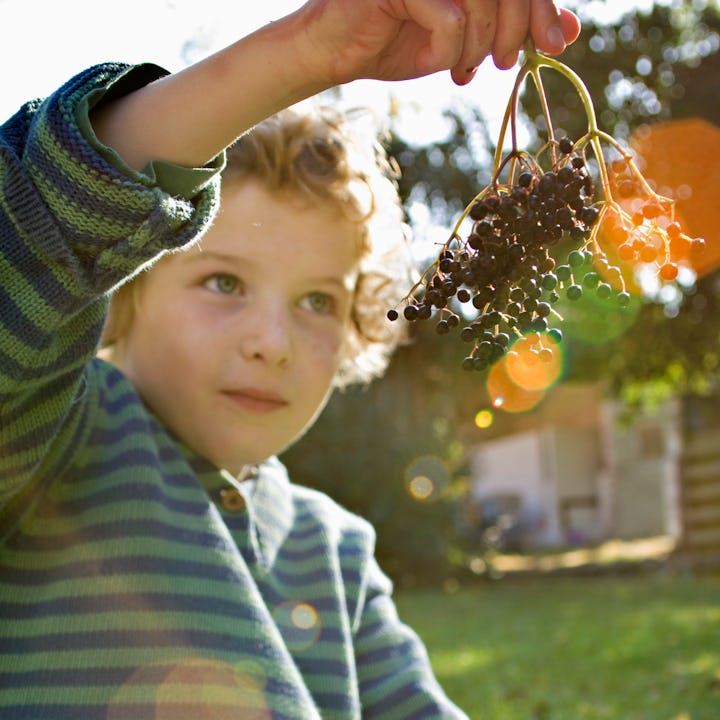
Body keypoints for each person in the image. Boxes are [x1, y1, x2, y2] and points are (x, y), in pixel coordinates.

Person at [0, 2, 581, 717]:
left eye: (317, 303)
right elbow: (38, 227)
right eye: (223, 283)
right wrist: (299, 55)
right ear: (124, 285)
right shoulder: (45, 439)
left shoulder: (336, 557)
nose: (270, 342)